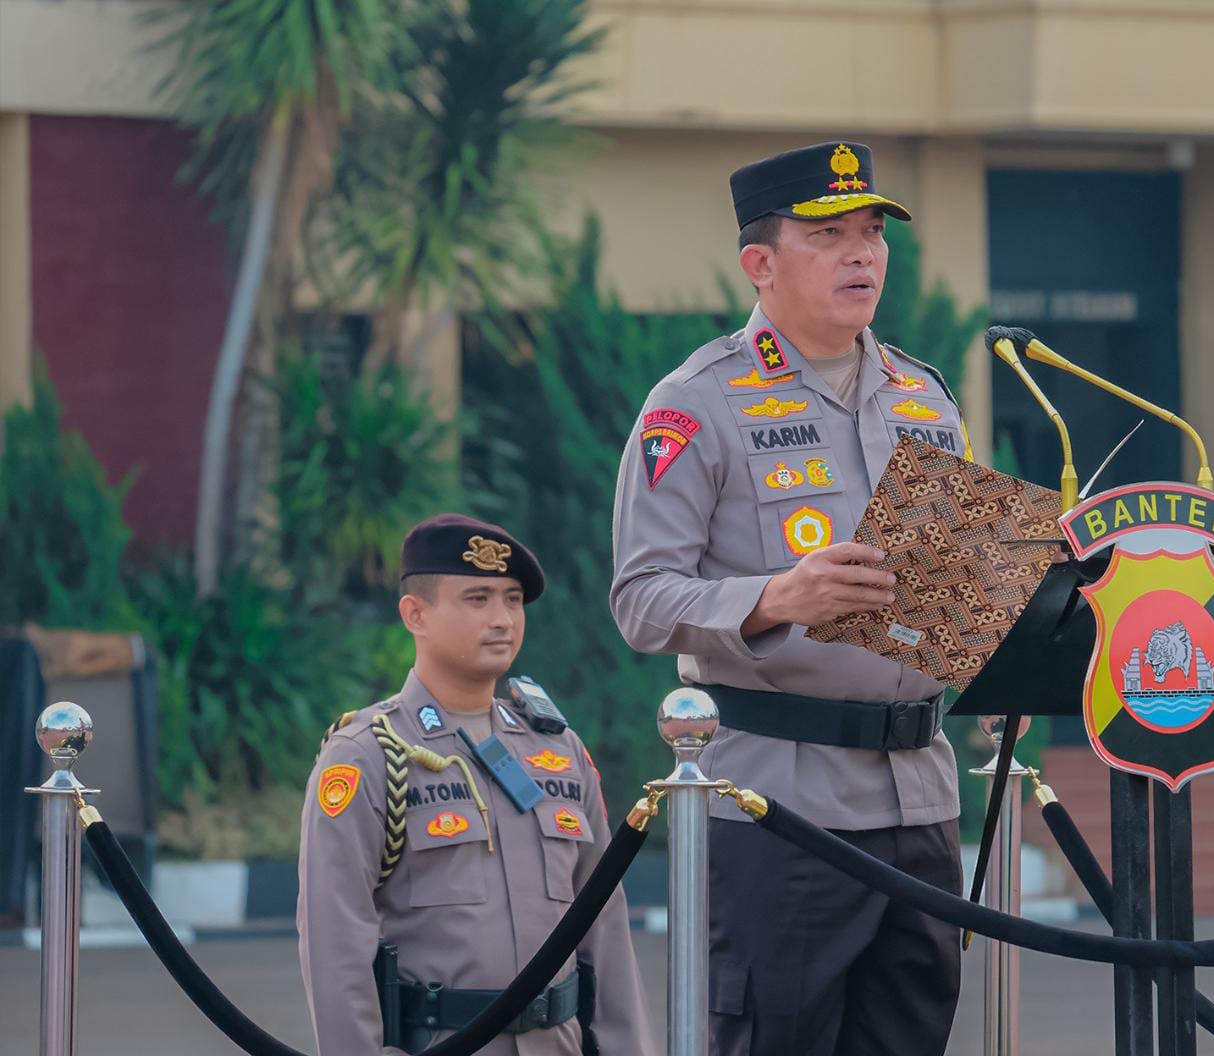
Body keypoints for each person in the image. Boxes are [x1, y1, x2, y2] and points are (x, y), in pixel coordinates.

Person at [611, 141, 965, 1055]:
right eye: (828, 235)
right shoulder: (696, 404)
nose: (862, 255)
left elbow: (944, 603)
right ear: (759, 265)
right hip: (779, 804)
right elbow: (641, 600)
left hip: (920, 795)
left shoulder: (925, 398)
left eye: (873, 233)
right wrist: (775, 597)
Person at [297, 514, 656, 1056]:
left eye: (513, 600)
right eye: (477, 599)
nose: (502, 619)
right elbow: (335, 941)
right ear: (415, 614)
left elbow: (603, 926)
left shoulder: (560, 752)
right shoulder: (368, 756)